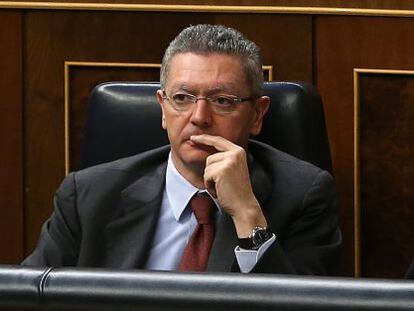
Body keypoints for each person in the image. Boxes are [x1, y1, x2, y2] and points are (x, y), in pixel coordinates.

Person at [22, 24, 341, 274]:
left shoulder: (303, 195)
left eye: (222, 101)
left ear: (257, 115)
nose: (200, 118)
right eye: (182, 98)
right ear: (163, 108)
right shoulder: (87, 195)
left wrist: (248, 214)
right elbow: (28, 295)